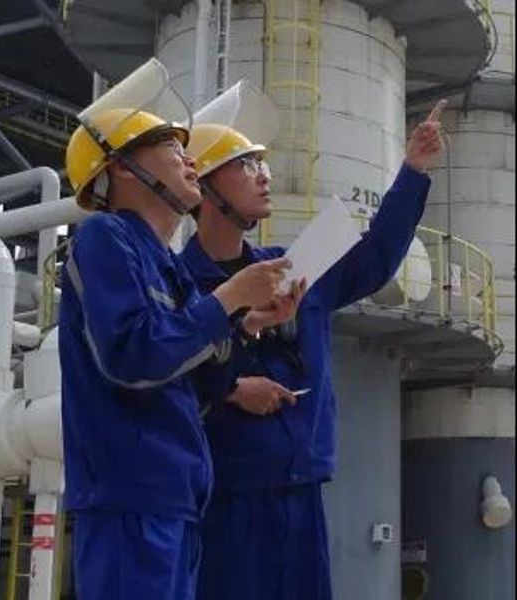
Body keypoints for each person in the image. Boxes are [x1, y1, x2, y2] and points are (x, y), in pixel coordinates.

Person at [181, 86, 447, 600]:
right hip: (226, 499)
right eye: (246, 165)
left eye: (262, 163)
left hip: (302, 488)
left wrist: (412, 170)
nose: (264, 176)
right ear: (205, 188)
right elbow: (156, 369)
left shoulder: (291, 266)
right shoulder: (182, 285)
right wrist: (228, 388)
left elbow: (374, 258)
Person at [58, 60, 291, 600]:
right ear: (121, 168)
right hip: (130, 500)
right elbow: (133, 358)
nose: (190, 159)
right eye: (169, 144)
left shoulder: (168, 265)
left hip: (175, 499)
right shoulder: (105, 238)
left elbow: (202, 386)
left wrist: (247, 324)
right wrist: (229, 297)